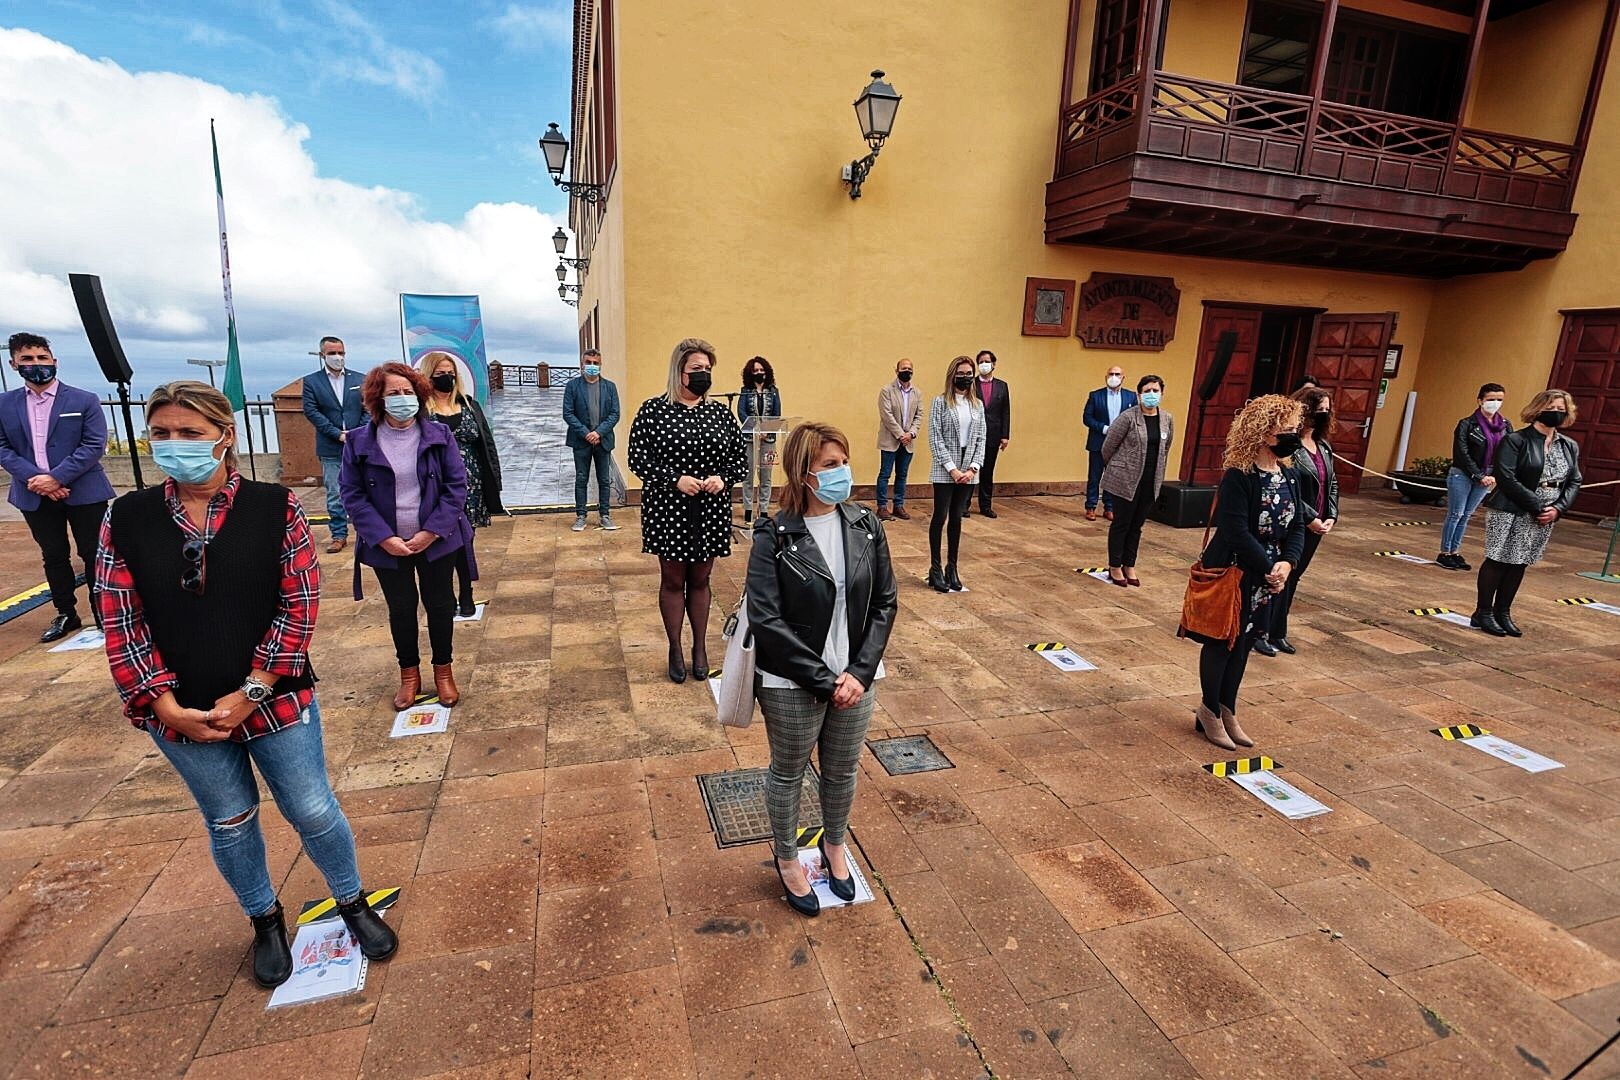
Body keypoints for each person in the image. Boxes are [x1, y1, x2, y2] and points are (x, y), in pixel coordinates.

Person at [95, 380, 394, 990]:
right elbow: (119, 618)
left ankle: (351, 900)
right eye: (162, 434)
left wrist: (253, 687)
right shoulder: (127, 517)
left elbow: (300, 602)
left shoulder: (274, 506)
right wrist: (164, 706)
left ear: (224, 437)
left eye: (190, 434)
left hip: (273, 696)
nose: (174, 446)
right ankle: (263, 918)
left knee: (311, 807)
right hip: (179, 708)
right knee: (229, 819)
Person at [748, 422, 897, 916]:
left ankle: (835, 846)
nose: (842, 473)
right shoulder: (773, 534)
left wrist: (858, 672)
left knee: (841, 771)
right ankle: (787, 858)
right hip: (793, 682)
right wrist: (823, 679)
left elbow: (885, 603)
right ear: (803, 472)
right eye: (830, 465)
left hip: (856, 678)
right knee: (788, 773)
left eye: (844, 462)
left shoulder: (865, 525)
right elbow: (765, 618)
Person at [341, 363, 472, 709]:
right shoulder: (358, 442)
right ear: (378, 399)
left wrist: (431, 531)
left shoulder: (439, 436)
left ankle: (443, 671)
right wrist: (383, 538)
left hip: (436, 540)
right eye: (393, 393)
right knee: (401, 609)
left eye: (408, 392)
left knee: (441, 605)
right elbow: (352, 494)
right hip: (389, 544)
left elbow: (456, 487)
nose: (402, 399)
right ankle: (409, 676)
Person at [1182, 395, 1306, 751]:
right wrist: (1269, 567)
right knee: (1223, 641)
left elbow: (1297, 524)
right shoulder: (1240, 476)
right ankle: (1208, 711)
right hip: (1236, 570)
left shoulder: (1290, 475)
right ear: (1264, 433)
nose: (1292, 436)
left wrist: (1288, 562)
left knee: (1247, 642)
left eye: (1295, 429)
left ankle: (1227, 709)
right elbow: (1234, 529)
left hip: (1269, 573)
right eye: (1286, 430)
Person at [627, 338, 747, 682]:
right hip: (669, 508)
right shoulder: (653, 410)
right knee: (672, 580)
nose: (703, 375)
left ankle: (699, 647)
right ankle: (675, 648)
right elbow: (638, 458)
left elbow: (739, 458)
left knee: (701, 580)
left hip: (710, 509)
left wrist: (723, 478)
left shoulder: (720, 414)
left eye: (707, 370)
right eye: (697, 369)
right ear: (679, 371)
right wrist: (673, 479)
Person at [0, 332, 114, 642]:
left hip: (84, 491)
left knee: (94, 553)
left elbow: (93, 445)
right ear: (14, 364)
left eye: (41, 358)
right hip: (33, 493)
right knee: (53, 555)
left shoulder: (83, 400)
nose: (36, 365)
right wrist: (37, 481)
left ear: (54, 361)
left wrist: (57, 478)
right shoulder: (4, 404)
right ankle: (66, 612)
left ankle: (103, 612)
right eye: (27, 359)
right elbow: (3, 447)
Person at [1472, 390, 1582, 637]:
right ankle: (1483, 612)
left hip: (1547, 511)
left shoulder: (1568, 445)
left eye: (1562, 409)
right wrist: (1536, 505)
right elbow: (1506, 476)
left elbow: (1574, 480)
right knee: (1498, 559)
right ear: (1539, 408)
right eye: (1552, 407)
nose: (1557, 413)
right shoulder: (1516, 440)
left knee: (1520, 561)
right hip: (1511, 507)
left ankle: (1504, 612)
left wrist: (1558, 508)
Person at [418, 351, 502, 616]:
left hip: (470, 483)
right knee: (442, 541)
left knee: (465, 540)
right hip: (435, 485)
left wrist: (495, 481)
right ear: (429, 376)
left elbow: (486, 443)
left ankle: (467, 594)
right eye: (440, 374)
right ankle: (446, 595)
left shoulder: (468, 404)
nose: (447, 377)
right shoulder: (422, 409)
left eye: (450, 372)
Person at [1260, 386, 1339, 656]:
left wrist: (1331, 515)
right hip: (1295, 521)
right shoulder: (1290, 448)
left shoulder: (1323, 446)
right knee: (1277, 576)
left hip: (1317, 524)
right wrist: (1309, 518)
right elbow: (1287, 488)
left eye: (1327, 411)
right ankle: (1261, 630)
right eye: (1318, 410)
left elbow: (1332, 483)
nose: (1323, 415)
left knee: (1294, 579)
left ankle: (1278, 630)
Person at [1099, 374, 1173, 587]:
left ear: (1162, 393)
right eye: (1147, 391)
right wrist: (1118, 468)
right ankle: (1114, 566)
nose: (1151, 395)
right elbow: (1108, 447)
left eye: (1155, 391)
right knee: (1122, 523)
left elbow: (1165, 449)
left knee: (1137, 525)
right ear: (1139, 394)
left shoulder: (1167, 419)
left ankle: (1129, 564)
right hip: (1126, 480)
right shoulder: (1128, 417)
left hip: (1150, 480)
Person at [926, 356, 986, 593]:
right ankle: (935, 568)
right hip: (945, 468)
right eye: (961, 373)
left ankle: (953, 567)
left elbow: (982, 438)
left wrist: (972, 468)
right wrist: (952, 468)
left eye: (969, 373)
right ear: (953, 375)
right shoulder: (940, 402)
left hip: (968, 469)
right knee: (940, 516)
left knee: (957, 518)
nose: (965, 377)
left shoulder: (977, 405)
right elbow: (934, 436)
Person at [299, 336, 365, 553]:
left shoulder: (360, 379)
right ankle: (338, 535)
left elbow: (369, 408)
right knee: (335, 493)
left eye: (341, 353)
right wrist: (337, 434)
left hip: (360, 444)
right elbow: (312, 412)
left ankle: (367, 532)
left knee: (366, 489)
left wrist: (356, 434)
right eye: (332, 353)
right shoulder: (312, 382)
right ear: (322, 355)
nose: (338, 357)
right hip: (331, 446)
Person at [1439, 383, 1509, 570]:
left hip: (1488, 476)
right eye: (1490, 399)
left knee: (1467, 515)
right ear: (1480, 401)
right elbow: (1462, 453)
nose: (1495, 403)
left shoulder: (1505, 426)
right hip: (1463, 474)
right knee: (1456, 513)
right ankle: (1445, 552)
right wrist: (1477, 475)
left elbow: (1508, 452)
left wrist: (1495, 475)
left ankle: (1455, 551)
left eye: (1499, 400)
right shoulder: (1467, 424)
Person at [563, 348, 621, 532]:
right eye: (588, 362)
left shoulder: (610, 387)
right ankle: (581, 516)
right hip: (581, 441)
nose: (592, 366)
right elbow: (568, 413)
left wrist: (599, 432)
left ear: (601, 365)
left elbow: (615, 413)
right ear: (582, 363)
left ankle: (605, 515)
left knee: (604, 479)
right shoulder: (572, 386)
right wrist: (586, 433)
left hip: (603, 441)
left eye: (595, 363)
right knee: (581, 479)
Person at [1083, 365, 1135, 521]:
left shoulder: (1131, 397)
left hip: (1120, 445)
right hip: (1099, 441)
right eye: (1111, 374)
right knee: (1094, 476)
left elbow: (1135, 418)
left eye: (1117, 374)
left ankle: (1109, 507)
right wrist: (1105, 429)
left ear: (1123, 377)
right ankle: (1091, 507)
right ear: (1106, 377)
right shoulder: (1095, 396)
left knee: (1113, 477)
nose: (1114, 377)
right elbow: (1087, 418)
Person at [736, 356, 782, 522]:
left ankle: (763, 510)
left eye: (761, 370)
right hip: (749, 439)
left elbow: (777, 413)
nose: (759, 373)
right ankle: (748, 509)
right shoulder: (745, 390)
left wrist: (766, 431)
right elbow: (741, 412)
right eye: (755, 370)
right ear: (750, 373)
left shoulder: (773, 391)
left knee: (766, 476)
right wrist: (756, 429)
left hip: (768, 441)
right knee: (748, 476)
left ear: (767, 372)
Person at [875, 358, 921, 521]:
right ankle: (882, 507)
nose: (906, 371)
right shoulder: (887, 390)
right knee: (885, 474)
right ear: (896, 371)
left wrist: (911, 434)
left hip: (908, 442)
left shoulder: (917, 392)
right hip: (890, 440)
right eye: (903, 368)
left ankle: (898, 506)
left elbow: (919, 415)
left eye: (909, 368)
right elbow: (886, 415)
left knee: (902, 475)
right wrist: (901, 434)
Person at [971, 350, 1011, 519]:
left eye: (987, 361)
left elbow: (1005, 411)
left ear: (994, 364)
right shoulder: (971, 384)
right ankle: (964, 505)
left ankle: (985, 506)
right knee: (970, 469)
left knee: (987, 472)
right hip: (973, 434)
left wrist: (1005, 435)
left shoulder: (1002, 386)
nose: (984, 364)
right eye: (981, 361)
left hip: (993, 434)